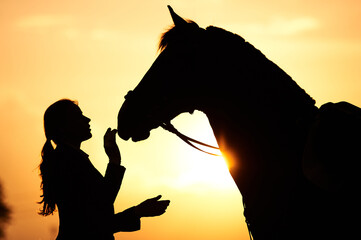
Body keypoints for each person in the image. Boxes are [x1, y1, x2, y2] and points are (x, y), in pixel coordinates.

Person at [38, 99, 170, 240]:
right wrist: (137, 211)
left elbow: (97, 211)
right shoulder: (67, 161)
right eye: (78, 116)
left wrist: (137, 212)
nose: (87, 119)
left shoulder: (69, 159)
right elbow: (94, 217)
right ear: (62, 127)